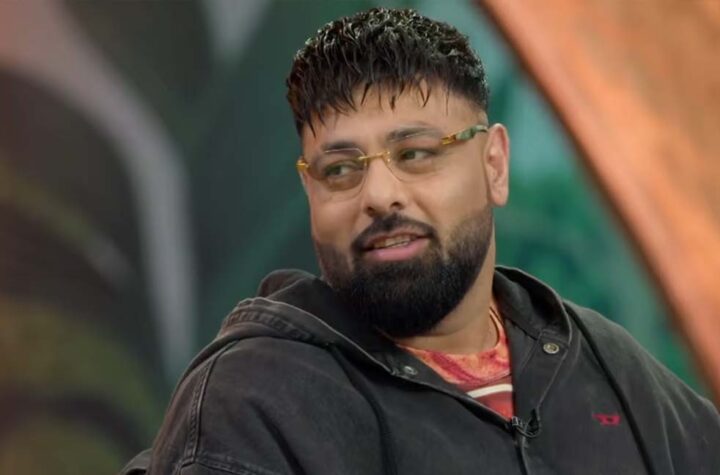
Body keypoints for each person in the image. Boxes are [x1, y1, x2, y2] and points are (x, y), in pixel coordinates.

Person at [121, 8, 720, 475]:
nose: (379, 195)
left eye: (415, 154)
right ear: (310, 194)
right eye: (340, 169)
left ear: (494, 165)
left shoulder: (606, 364)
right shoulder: (256, 402)